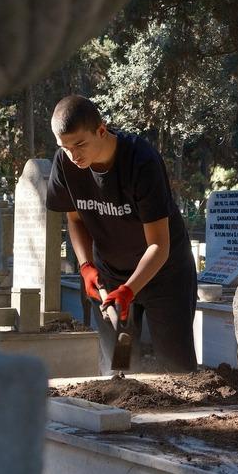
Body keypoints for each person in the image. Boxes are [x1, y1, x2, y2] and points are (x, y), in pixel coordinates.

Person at [45, 95, 197, 373]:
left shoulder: (141, 162)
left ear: (101, 130)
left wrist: (130, 290)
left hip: (165, 274)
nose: (73, 155)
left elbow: (159, 246)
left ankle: (180, 416)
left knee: (176, 367)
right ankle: (126, 413)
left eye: (79, 144)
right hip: (110, 276)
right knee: (121, 365)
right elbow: (75, 218)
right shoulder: (66, 163)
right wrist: (86, 266)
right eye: (64, 147)